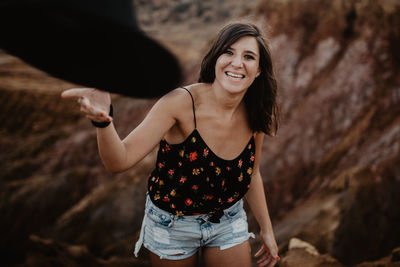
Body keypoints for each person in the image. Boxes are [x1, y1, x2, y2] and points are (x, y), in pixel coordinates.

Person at [62, 22, 280, 267]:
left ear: (259, 70)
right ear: (216, 58)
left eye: (248, 56)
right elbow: (118, 161)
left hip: (227, 220)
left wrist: (267, 230)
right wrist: (103, 122)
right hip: (172, 225)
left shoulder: (256, 114)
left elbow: (251, 173)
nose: (237, 63)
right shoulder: (179, 103)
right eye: (228, 52)